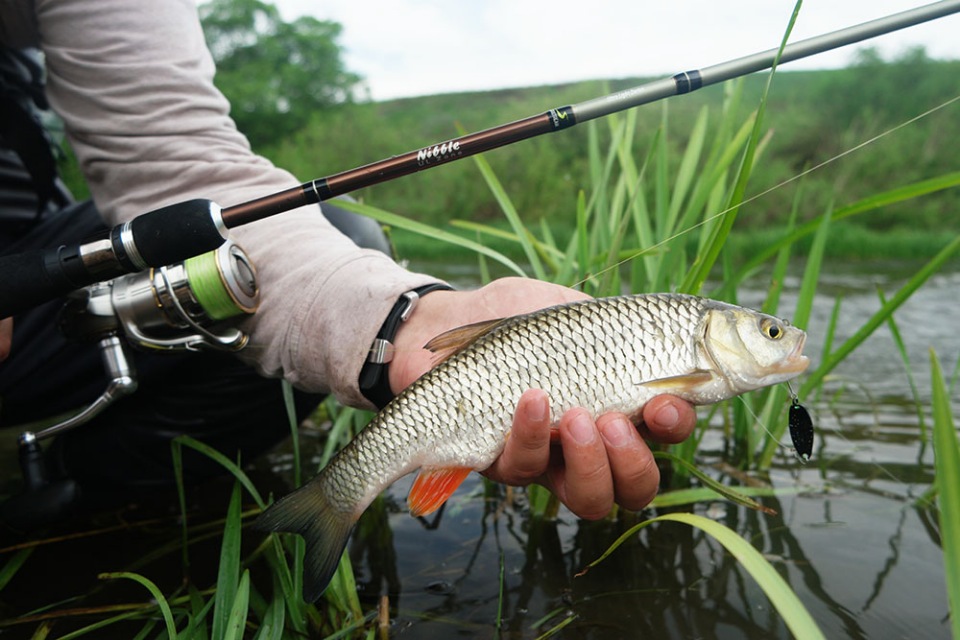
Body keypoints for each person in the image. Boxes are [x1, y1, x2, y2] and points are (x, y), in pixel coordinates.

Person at [0, 1, 695, 527]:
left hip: (31, 269)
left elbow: (169, 151)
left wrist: (400, 318)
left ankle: (84, 496)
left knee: (310, 244)